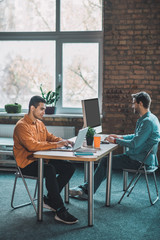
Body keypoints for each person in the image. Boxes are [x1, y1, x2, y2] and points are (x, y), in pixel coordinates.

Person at [69, 91, 160, 199]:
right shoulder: (150, 118)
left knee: (105, 161)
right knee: (107, 161)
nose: (132, 106)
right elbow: (136, 136)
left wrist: (115, 141)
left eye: (133, 103)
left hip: (140, 161)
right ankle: (86, 188)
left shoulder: (147, 122)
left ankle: (87, 191)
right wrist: (119, 137)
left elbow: (135, 143)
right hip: (143, 158)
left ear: (140, 103)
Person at [13, 96, 78, 224]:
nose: (44, 112)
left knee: (69, 167)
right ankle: (60, 210)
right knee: (49, 170)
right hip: (27, 163)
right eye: (42, 109)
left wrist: (62, 141)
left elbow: (50, 137)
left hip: (42, 160)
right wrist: (56, 145)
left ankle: (49, 200)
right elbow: (32, 146)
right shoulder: (21, 126)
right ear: (32, 108)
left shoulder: (39, 123)